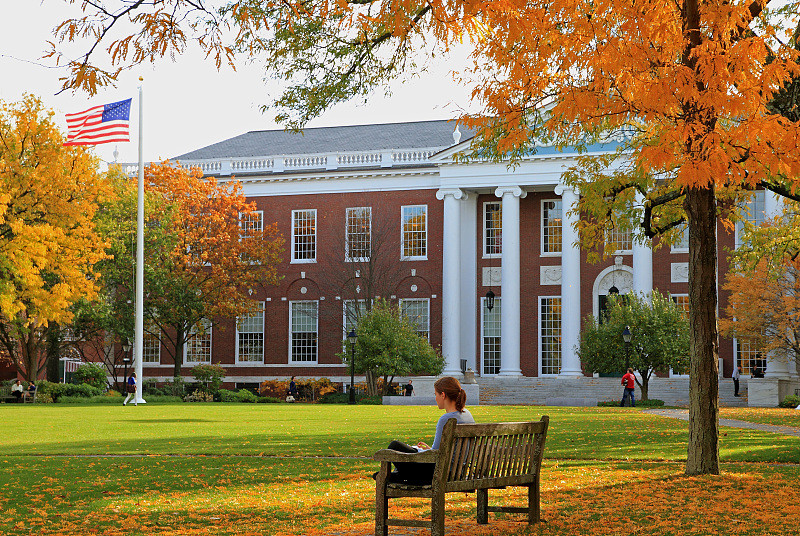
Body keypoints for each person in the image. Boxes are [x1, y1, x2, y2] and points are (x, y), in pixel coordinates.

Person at [378, 376, 475, 485]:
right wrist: (427, 449)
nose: (435, 398)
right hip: (458, 472)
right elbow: (441, 451)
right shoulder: (467, 415)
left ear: (443, 395)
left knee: (394, 446)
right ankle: (400, 475)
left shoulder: (446, 419)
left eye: (436, 395)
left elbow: (434, 456)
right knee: (412, 451)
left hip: (440, 473)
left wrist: (421, 451)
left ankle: (402, 475)